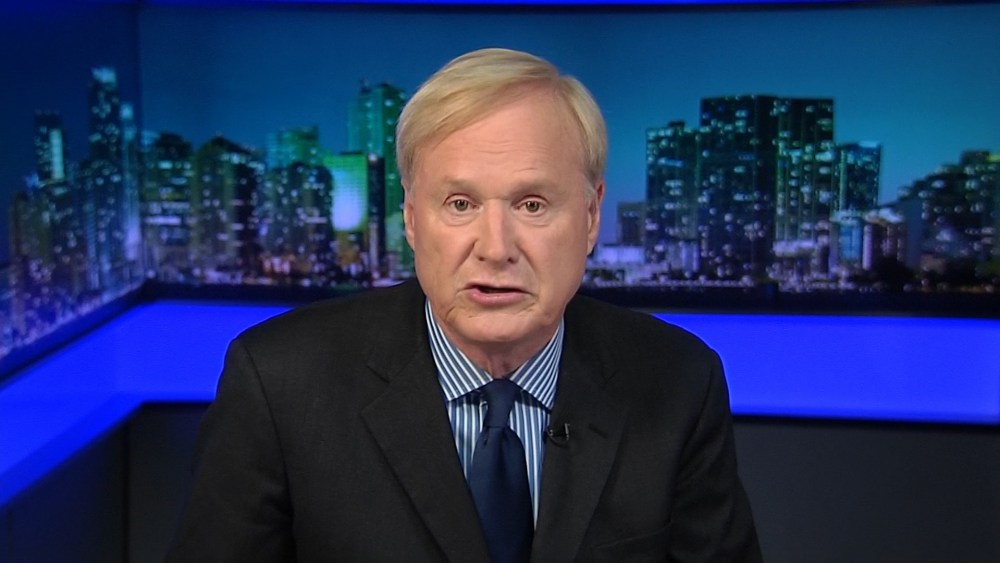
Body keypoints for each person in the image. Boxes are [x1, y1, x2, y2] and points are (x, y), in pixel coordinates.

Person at [168, 47, 761, 562]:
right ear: (410, 220)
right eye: (460, 204)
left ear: (589, 217)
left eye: (532, 204)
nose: (496, 248)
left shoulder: (679, 383)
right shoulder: (279, 383)